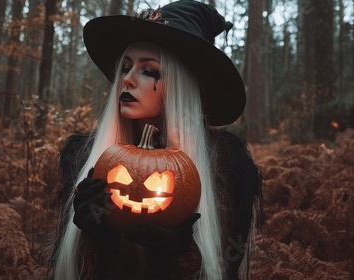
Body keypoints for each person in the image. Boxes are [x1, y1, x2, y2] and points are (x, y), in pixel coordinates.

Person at [50, 1, 263, 279]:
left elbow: (226, 269)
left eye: (149, 71)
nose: (127, 80)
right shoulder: (84, 156)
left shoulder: (227, 166)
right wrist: (97, 240)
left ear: (180, 86)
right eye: (125, 68)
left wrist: (176, 259)